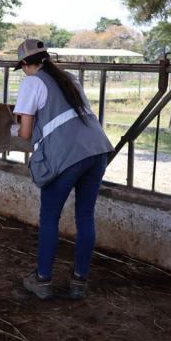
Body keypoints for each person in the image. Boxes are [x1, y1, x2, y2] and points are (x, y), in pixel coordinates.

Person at [12, 39, 113, 301]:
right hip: (97, 149)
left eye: (22, 67)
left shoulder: (32, 82)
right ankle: (79, 282)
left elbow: (24, 133)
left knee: (49, 218)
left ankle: (43, 280)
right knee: (85, 216)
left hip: (67, 156)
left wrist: (15, 128)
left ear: (25, 64)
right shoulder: (70, 78)